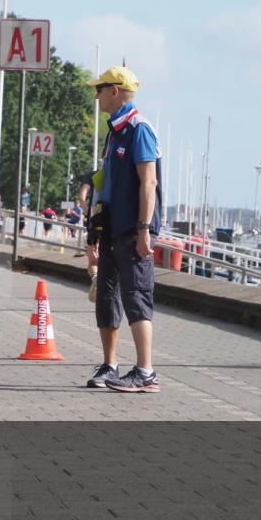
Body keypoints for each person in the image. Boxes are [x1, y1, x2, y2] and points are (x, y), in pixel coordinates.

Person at [84, 67, 162, 393]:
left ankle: (145, 371)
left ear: (115, 91)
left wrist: (144, 229)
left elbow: (149, 182)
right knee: (106, 296)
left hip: (133, 229)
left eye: (99, 89)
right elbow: (107, 181)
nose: (96, 95)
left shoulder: (138, 129)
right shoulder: (114, 131)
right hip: (113, 228)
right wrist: (95, 227)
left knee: (136, 297)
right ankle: (110, 365)